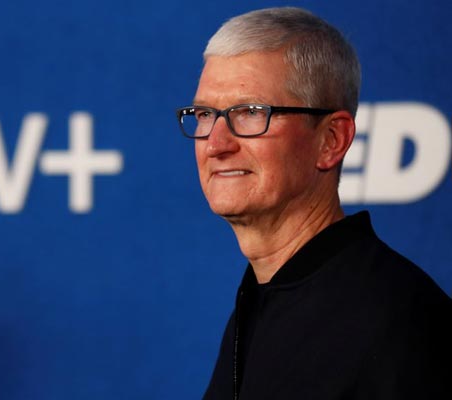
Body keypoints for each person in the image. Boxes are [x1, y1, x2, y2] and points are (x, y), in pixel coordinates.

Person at [175, 7, 452, 400]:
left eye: (250, 113)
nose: (216, 144)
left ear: (332, 140)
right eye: (205, 114)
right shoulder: (261, 302)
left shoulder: (401, 322)